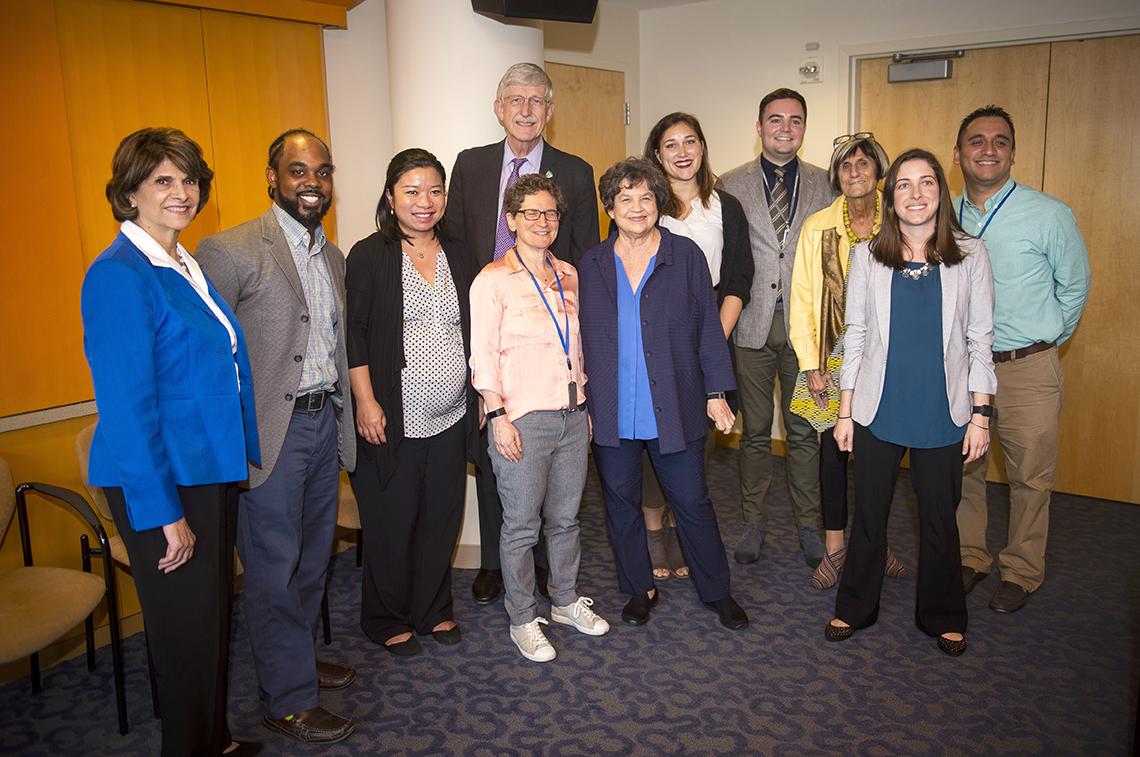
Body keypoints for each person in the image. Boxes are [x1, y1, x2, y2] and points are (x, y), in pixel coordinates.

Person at [81, 127, 260, 756]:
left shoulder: (181, 263)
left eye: (188, 180)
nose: (181, 192)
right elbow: (127, 411)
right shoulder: (119, 276)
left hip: (207, 466)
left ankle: (215, 740)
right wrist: (164, 515)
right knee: (184, 635)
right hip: (162, 481)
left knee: (210, 619)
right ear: (129, 192)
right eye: (163, 180)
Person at [196, 129, 357, 745]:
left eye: (321, 170)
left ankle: (297, 661)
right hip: (269, 434)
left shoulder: (333, 257)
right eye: (297, 170)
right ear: (272, 178)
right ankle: (286, 700)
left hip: (323, 423)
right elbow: (212, 359)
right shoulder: (230, 249)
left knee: (313, 557)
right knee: (271, 566)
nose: (311, 182)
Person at [824, 149, 996, 657]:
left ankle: (942, 613)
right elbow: (854, 338)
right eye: (903, 185)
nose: (915, 194)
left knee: (940, 516)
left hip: (944, 411)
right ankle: (855, 605)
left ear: (942, 192)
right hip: (879, 408)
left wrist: (981, 414)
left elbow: (980, 339)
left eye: (926, 183)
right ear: (890, 195)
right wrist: (845, 412)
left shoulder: (971, 254)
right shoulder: (868, 256)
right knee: (870, 515)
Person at [445, 62, 601, 605]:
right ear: (499, 108)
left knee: (551, 465)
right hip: (488, 323)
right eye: (517, 99)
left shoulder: (575, 172)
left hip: (548, 336)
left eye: (537, 100)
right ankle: (495, 562)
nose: (527, 109)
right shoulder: (470, 165)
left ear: (550, 111)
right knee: (495, 447)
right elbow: (458, 246)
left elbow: (585, 253)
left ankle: (544, 569)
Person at [578, 157, 747, 630]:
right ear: (609, 207)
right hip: (612, 409)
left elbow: (709, 331)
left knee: (692, 502)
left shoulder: (686, 255)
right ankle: (639, 587)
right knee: (620, 506)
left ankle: (717, 591)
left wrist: (717, 392)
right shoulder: (590, 264)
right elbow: (579, 339)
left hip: (675, 403)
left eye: (646, 197)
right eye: (624, 199)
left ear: (659, 202)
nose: (636, 207)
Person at [952, 105, 1091, 614]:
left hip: (1027, 365)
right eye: (977, 140)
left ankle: (1022, 570)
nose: (988, 149)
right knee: (963, 468)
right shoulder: (943, 212)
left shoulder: (1049, 213)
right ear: (959, 152)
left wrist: (1041, 342)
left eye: (1000, 141)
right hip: (964, 368)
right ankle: (970, 557)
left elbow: (1073, 288)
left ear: (1013, 151)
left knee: (1030, 475)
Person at [469, 173, 610, 663]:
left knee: (566, 520)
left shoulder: (570, 273)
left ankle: (566, 600)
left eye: (550, 213)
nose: (542, 221)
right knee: (522, 527)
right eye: (531, 212)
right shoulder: (491, 280)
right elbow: (482, 355)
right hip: (521, 418)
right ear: (511, 220)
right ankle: (523, 618)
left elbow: (579, 346)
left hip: (572, 414)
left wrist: (585, 405)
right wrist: (497, 413)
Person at [345, 149, 477, 656]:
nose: (425, 202)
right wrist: (366, 401)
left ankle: (432, 610)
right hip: (392, 416)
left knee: (441, 517)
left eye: (435, 190)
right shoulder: (371, 254)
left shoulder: (461, 254)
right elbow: (355, 334)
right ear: (390, 197)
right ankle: (385, 617)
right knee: (392, 521)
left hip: (452, 415)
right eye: (412, 191)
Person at [721, 88, 836, 568]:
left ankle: (810, 527)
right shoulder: (728, 184)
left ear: (804, 128)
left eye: (794, 120)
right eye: (775, 119)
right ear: (759, 126)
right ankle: (754, 524)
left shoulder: (827, 184)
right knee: (754, 433)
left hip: (808, 334)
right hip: (750, 326)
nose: (784, 128)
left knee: (806, 429)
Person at [637, 112, 754, 581]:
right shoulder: (644, 206)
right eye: (671, 145)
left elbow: (739, 279)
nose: (682, 152)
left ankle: (681, 519)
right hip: (652, 333)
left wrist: (712, 342)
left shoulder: (726, 206)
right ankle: (653, 528)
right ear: (657, 154)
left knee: (696, 438)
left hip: (712, 327)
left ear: (703, 148)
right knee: (653, 428)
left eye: (690, 142)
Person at [788, 132, 907, 589]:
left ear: (879, 171)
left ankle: (875, 542)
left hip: (888, 358)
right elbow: (801, 297)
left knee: (880, 453)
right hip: (828, 358)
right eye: (846, 166)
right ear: (837, 176)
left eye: (863, 165)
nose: (855, 173)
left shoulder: (899, 223)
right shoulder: (818, 225)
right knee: (832, 454)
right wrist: (810, 363)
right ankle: (836, 547)